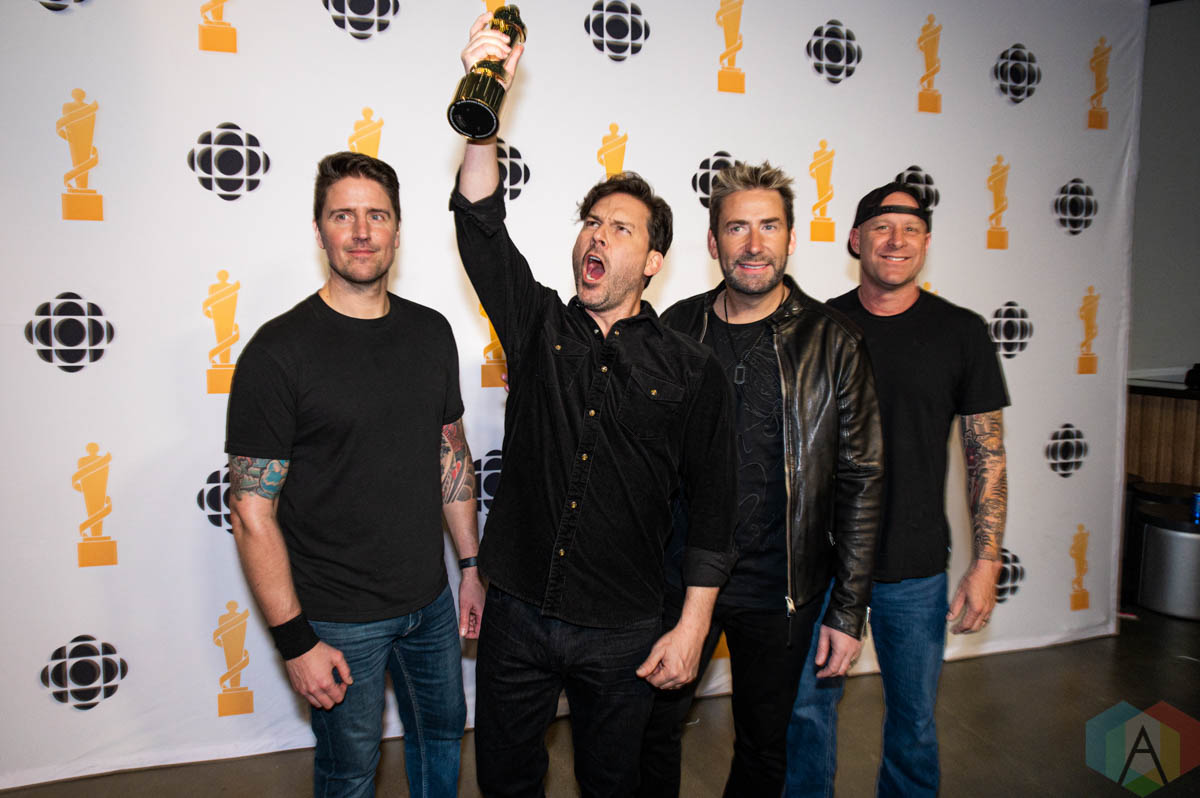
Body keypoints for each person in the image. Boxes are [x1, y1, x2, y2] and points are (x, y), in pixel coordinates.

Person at [450, 14, 736, 797]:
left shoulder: (693, 370)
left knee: (615, 785)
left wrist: (692, 628)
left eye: (619, 227)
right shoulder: (538, 324)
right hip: (516, 613)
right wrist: (484, 113)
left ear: (654, 259)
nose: (595, 237)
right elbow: (480, 228)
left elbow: (715, 515)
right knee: (507, 781)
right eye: (590, 222)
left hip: (624, 629)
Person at [226, 151, 483, 798]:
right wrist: (295, 642)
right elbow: (252, 512)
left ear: (398, 230)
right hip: (337, 620)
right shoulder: (277, 352)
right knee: (350, 771)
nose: (362, 232)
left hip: (430, 603)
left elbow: (450, 454)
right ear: (320, 231)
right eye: (344, 216)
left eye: (378, 216)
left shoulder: (431, 332)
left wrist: (471, 567)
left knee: (442, 737)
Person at [638, 162, 884, 797]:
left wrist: (848, 611)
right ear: (712, 241)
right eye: (736, 228)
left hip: (781, 589)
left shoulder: (835, 342)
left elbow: (862, 482)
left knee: (762, 747)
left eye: (769, 227)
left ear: (792, 237)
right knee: (648, 733)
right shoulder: (674, 329)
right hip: (677, 579)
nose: (753, 244)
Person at [786, 183, 1010, 797]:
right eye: (882, 226)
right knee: (805, 717)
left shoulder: (961, 332)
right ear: (855, 240)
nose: (896, 239)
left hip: (914, 568)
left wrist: (987, 560)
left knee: (913, 725)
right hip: (821, 564)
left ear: (926, 243)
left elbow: (986, 454)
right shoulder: (816, 326)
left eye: (911, 228)